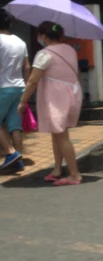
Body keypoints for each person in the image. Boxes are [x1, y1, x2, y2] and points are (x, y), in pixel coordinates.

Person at [17, 22, 83, 185]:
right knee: (58, 133)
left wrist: (22, 101)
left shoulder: (44, 54)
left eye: (40, 35)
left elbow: (32, 81)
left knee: (61, 135)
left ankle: (74, 174)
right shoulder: (70, 50)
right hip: (73, 93)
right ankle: (57, 170)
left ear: (44, 36)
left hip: (56, 97)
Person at [0, 9, 30, 171]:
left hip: (2, 87)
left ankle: (11, 153)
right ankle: (19, 161)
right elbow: (27, 67)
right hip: (19, 87)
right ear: (10, 23)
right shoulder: (20, 41)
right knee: (14, 126)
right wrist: (27, 91)